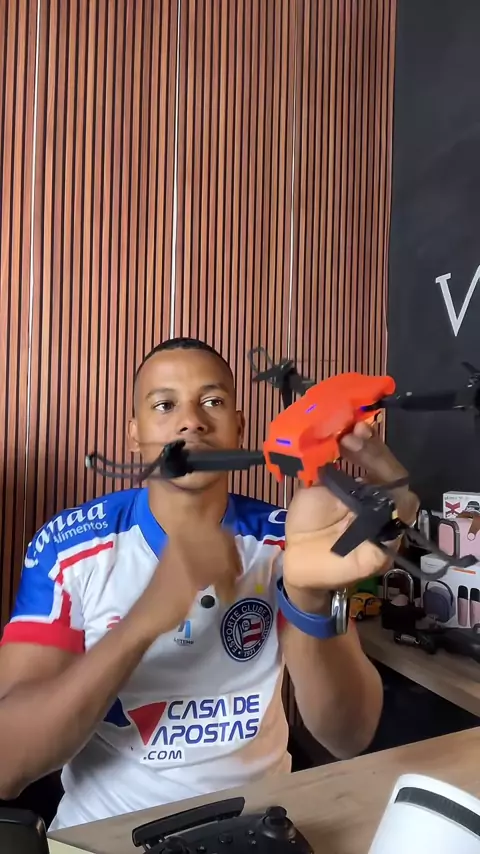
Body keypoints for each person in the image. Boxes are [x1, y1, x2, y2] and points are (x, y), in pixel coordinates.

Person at [0, 338, 418, 829]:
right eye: (164, 405)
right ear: (135, 434)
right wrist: (146, 619)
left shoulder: (288, 539)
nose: (191, 421)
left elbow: (349, 736)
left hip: (258, 826)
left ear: (239, 427)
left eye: (212, 401)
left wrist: (309, 598)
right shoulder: (71, 548)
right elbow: (8, 766)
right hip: (104, 833)